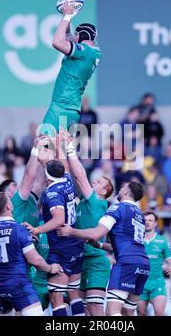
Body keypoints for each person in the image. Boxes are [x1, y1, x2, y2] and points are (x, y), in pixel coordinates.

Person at [58, 181, 150, 316]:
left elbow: (96, 233)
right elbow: (127, 243)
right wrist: (100, 245)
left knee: (112, 312)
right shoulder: (139, 214)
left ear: (125, 192)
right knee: (128, 312)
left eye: (122, 188)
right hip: (143, 264)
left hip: (126, 264)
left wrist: (71, 231)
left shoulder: (117, 208)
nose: (119, 190)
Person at [0, 137, 50, 311]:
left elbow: (40, 181)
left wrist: (45, 158)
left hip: (10, 269)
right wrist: (36, 149)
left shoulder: (28, 200)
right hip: (18, 265)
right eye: (13, 186)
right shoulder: (17, 200)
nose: (17, 186)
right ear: (7, 196)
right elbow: (29, 176)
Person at [23, 159, 85, 316]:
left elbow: (58, 219)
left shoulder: (52, 193)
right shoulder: (67, 180)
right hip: (75, 244)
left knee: (56, 298)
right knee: (73, 294)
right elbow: (62, 165)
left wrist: (37, 229)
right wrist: (58, 144)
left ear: (47, 176)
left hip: (61, 248)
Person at [0, 192, 62, 316]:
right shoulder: (19, 230)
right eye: (10, 201)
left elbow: (8, 249)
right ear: (9, 207)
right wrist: (50, 268)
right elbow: (34, 260)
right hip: (17, 284)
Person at [64, 132, 114, 315]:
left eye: (99, 181)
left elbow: (81, 177)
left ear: (103, 192)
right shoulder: (82, 202)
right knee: (83, 308)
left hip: (95, 260)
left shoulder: (97, 202)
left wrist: (70, 148)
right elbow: (72, 176)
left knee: (94, 307)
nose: (95, 180)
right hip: (80, 258)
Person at [39, 2, 101, 135]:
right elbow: (66, 37)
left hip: (62, 105)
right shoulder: (91, 53)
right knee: (60, 152)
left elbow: (57, 42)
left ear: (83, 35)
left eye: (76, 34)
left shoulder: (84, 51)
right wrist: (68, 17)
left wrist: (67, 16)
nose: (73, 37)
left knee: (41, 149)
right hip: (71, 108)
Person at [138, 212, 171, 316]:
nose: (147, 223)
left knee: (159, 312)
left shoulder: (162, 241)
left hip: (157, 282)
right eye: (145, 220)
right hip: (140, 282)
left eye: (150, 220)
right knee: (141, 313)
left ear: (155, 223)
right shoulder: (137, 240)